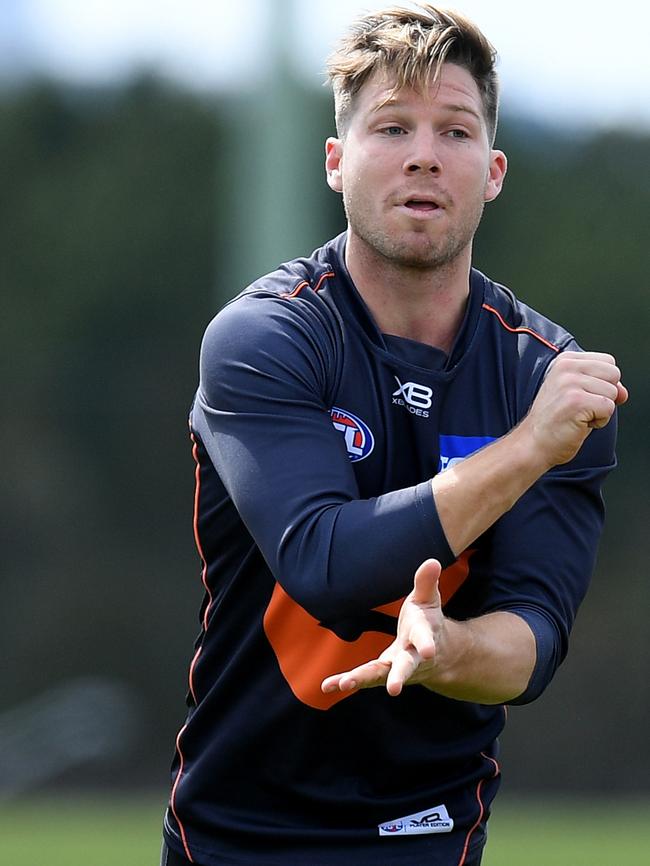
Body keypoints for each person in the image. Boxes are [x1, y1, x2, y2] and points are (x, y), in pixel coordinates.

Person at [161, 5, 627, 865]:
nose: (423, 153)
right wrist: (526, 448)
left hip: (428, 829)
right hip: (235, 827)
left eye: (454, 130)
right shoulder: (266, 337)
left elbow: (533, 639)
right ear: (337, 162)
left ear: (491, 172)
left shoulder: (547, 377)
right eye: (392, 127)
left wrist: (447, 649)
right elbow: (324, 565)